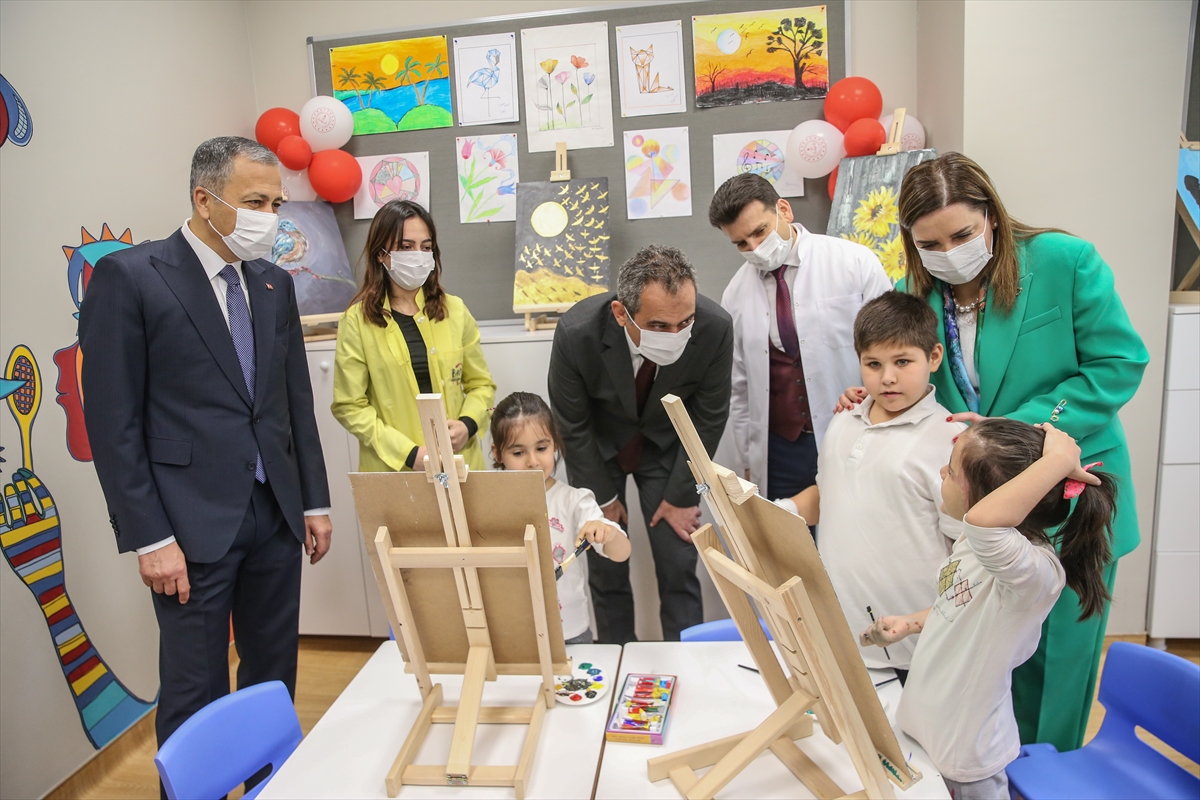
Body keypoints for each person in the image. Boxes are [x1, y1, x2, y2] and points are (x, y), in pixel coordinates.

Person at [841, 152, 1149, 751]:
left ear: (992, 216)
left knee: (1057, 665)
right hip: (981, 510)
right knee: (987, 660)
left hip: (1067, 493)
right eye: (930, 243)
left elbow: (1119, 364)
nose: (950, 251)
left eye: (962, 234)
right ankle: (994, 775)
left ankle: (1045, 776)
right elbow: (914, 373)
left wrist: (1022, 426)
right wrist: (874, 394)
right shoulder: (916, 290)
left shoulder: (1064, 262)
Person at [79, 136, 332, 760]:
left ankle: (270, 782)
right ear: (204, 198)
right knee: (195, 689)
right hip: (186, 527)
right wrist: (150, 537)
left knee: (273, 677)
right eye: (255, 201)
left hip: (274, 513)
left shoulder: (273, 283)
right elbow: (112, 423)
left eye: (276, 203)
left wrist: (314, 502)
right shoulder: (132, 277)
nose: (270, 217)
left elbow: (293, 402)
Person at [862, 419, 1114, 800]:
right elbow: (960, 605)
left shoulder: (1034, 573)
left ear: (984, 497)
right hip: (924, 728)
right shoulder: (979, 545)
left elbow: (984, 521)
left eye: (952, 469)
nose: (942, 472)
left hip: (965, 757)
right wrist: (912, 623)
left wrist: (1060, 458)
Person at [548, 244, 733, 643]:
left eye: (685, 322)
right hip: (600, 449)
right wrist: (602, 497)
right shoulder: (576, 332)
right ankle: (617, 654)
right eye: (660, 326)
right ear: (621, 313)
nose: (676, 334)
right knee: (605, 560)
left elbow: (709, 418)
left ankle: (687, 662)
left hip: (668, 452)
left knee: (677, 561)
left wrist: (684, 496)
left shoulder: (716, 327)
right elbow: (572, 425)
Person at [778, 292, 964, 680]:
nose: (888, 377)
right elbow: (828, 497)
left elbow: (966, 551)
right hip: (842, 634)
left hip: (914, 648)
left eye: (902, 362)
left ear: (933, 357)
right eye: (873, 364)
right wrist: (780, 512)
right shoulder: (845, 420)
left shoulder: (952, 441)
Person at [709, 173, 892, 502]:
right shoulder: (735, 293)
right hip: (780, 450)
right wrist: (746, 459)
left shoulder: (854, 263)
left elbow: (894, 349)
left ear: (783, 210)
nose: (754, 248)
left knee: (853, 535)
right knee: (791, 543)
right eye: (741, 243)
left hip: (856, 432)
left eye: (760, 232)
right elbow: (739, 386)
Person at [332, 200, 496, 472]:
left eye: (426, 247)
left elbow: (482, 385)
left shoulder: (454, 310)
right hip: (396, 470)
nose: (418, 255)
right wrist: (408, 454)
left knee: (465, 516)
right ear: (381, 254)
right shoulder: (357, 322)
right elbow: (349, 406)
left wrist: (468, 424)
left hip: (459, 464)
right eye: (406, 247)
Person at [490, 392, 631, 644]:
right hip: (512, 635)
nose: (533, 462)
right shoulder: (489, 502)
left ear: (555, 444)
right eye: (518, 453)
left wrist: (607, 531)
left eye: (541, 448)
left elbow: (621, 553)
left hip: (570, 634)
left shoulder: (575, 500)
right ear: (498, 454)